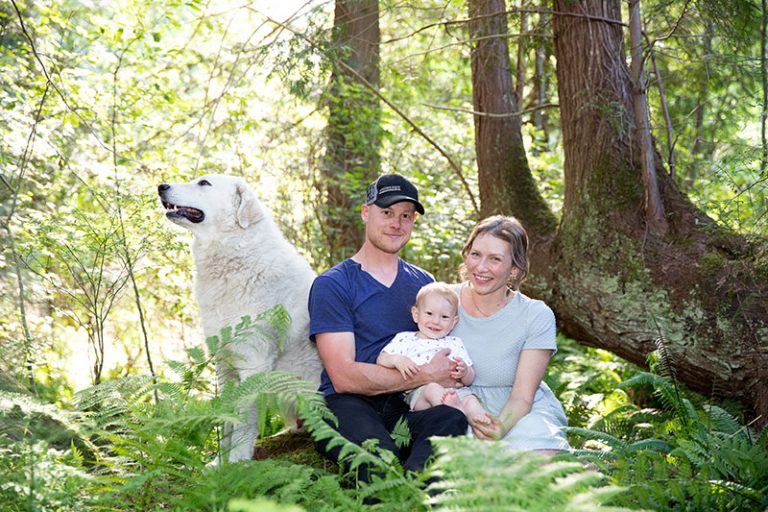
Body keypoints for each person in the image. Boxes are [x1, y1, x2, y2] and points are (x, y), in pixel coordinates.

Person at [308, 174, 468, 482]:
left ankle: (416, 496)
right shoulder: (334, 284)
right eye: (387, 212)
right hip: (345, 405)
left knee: (449, 420)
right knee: (379, 457)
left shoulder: (424, 284)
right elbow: (342, 377)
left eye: (405, 216)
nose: (397, 223)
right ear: (366, 213)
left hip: (404, 403)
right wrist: (427, 374)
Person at [451, 215, 570, 453]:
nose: (481, 267)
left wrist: (499, 428)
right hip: (460, 406)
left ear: (514, 269)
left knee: (539, 469)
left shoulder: (535, 315)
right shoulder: (444, 301)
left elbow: (522, 397)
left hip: (520, 412)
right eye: (476, 255)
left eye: (495, 259)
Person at [377, 281, 489, 424]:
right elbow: (382, 358)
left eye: (444, 317)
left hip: (455, 391)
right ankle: (453, 413)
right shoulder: (405, 338)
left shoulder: (455, 343)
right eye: (429, 313)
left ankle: (479, 421)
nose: (436, 321)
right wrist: (397, 360)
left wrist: (465, 372)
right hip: (421, 393)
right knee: (433, 388)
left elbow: (470, 379)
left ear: (454, 322)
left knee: (470, 400)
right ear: (416, 314)